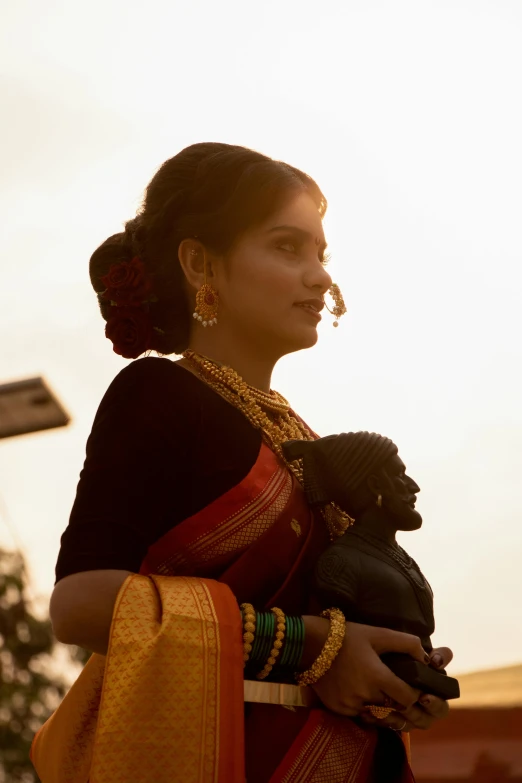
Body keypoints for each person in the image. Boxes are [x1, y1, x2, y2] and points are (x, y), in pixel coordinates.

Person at [30, 142, 452, 783]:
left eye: (321, 254)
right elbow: (81, 604)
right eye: (288, 247)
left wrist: (392, 674)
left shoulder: (295, 431)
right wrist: (313, 647)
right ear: (201, 263)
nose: (320, 277)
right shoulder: (158, 394)